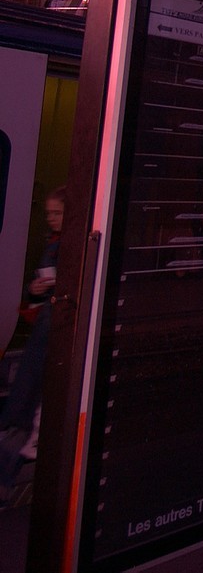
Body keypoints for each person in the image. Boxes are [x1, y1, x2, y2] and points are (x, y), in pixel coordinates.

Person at [1, 187, 65, 478]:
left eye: (57, 213)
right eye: (48, 213)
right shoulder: (52, 243)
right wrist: (34, 290)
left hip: (50, 329)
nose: (51, 218)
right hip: (44, 323)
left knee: (37, 386)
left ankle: (26, 446)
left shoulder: (65, 246)